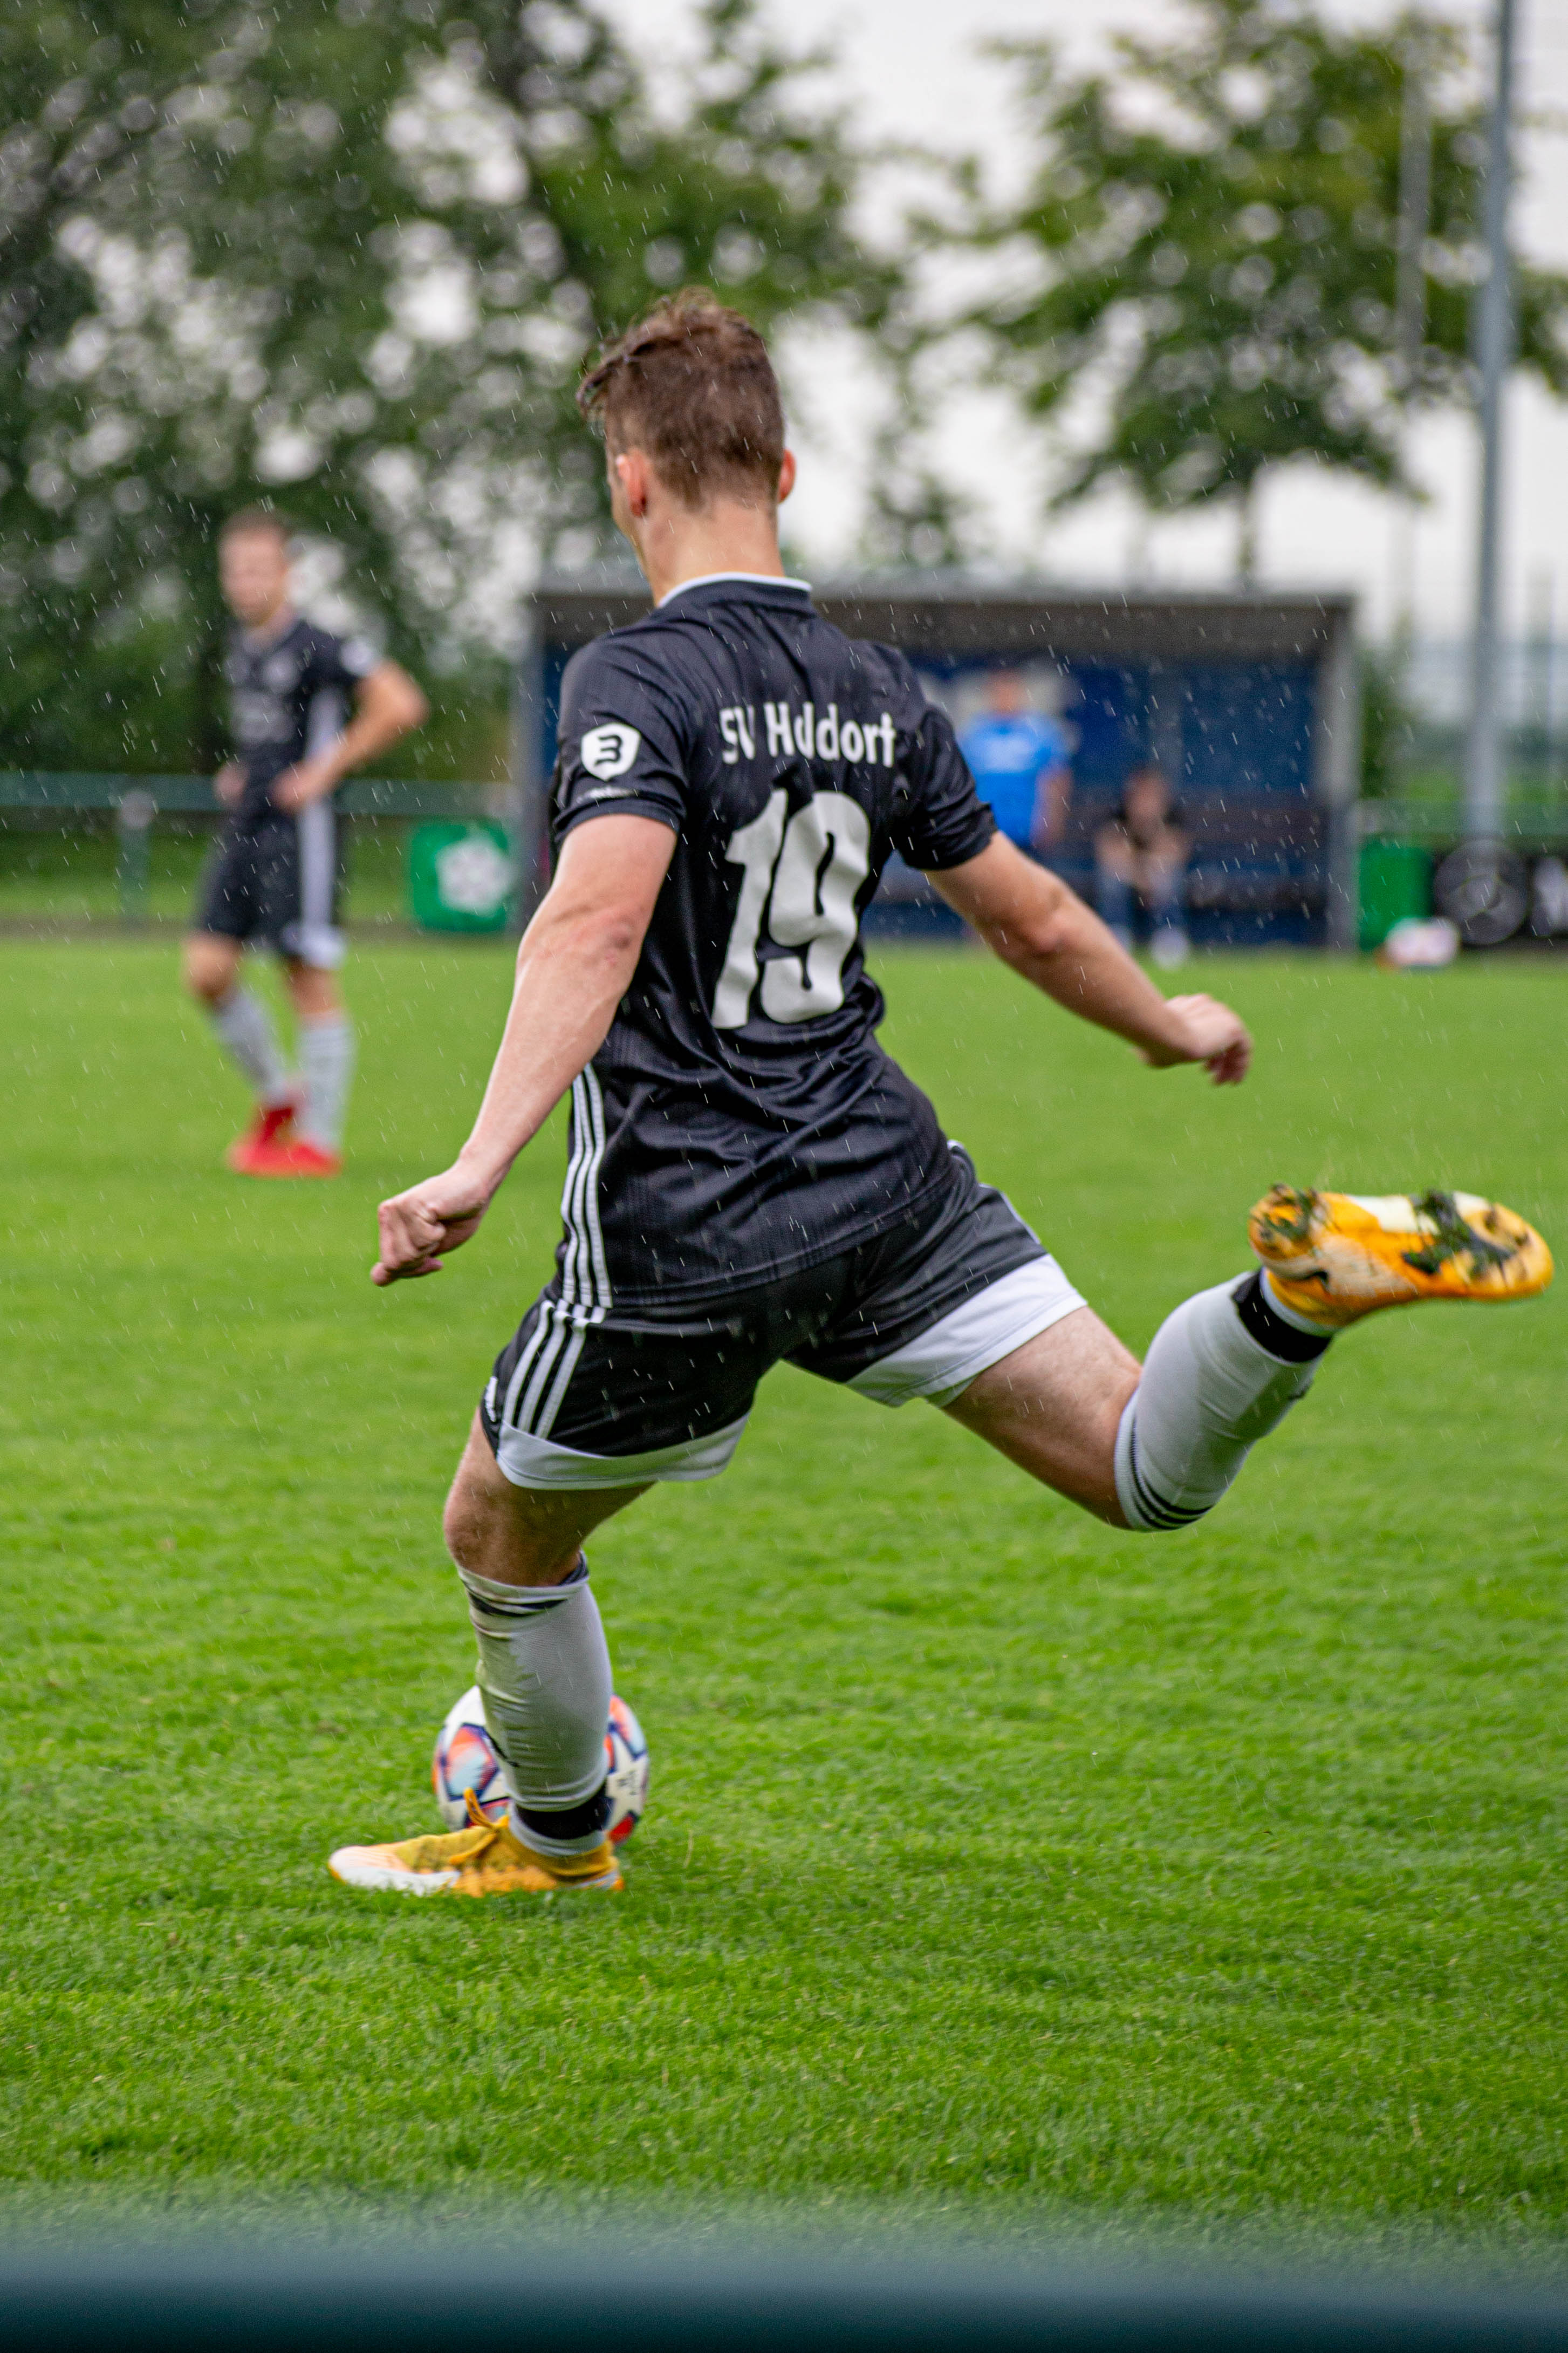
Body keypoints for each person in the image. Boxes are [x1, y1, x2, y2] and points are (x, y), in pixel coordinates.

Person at [325, 293, 1551, 1902]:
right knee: (1140, 1463)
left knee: (500, 1531)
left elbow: (594, 923)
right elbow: (1028, 915)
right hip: (877, 1177)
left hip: (692, 1214)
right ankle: (1290, 1303)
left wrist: (480, 1158)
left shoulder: (635, 677)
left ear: (630, 483)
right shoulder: (877, 689)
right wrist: (1166, 1019)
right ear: (784, 470)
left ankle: (553, 1844)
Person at [182, 508, 428, 1177]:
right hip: (246, 825)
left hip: (301, 832)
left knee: (305, 974)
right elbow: (271, 733)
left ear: (286, 572)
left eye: (258, 568)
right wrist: (243, 771)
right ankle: (280, 1096)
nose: (245, 581)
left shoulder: (319, 645)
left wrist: (323, 772)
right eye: (235, 569)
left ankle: (318, 1142)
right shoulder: (242, 648)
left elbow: (401, 703)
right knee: (207, 972)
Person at [957, 669, 1072, 857]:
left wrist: (1053, 823)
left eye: (1009, 691)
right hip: (985, 833)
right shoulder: (974, 734)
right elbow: (960, 781)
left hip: (1029, 834)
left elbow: (1058, 780)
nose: (1005, 698)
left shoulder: (1041, 732)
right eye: (999, 692)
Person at [1096, 762, 1191, 969]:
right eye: (1142, 796)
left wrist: (1151, 829)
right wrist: (1140, 875)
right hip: (1131, 878)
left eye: (1153, 796)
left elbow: (1173, 855)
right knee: (1113, 880)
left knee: (1166, 878)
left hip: (1153, 878)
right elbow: (1111, 855)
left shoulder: (1173, 818)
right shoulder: (1117, 815)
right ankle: (1116, 933)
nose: (1146, 803)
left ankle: (1168, 936)